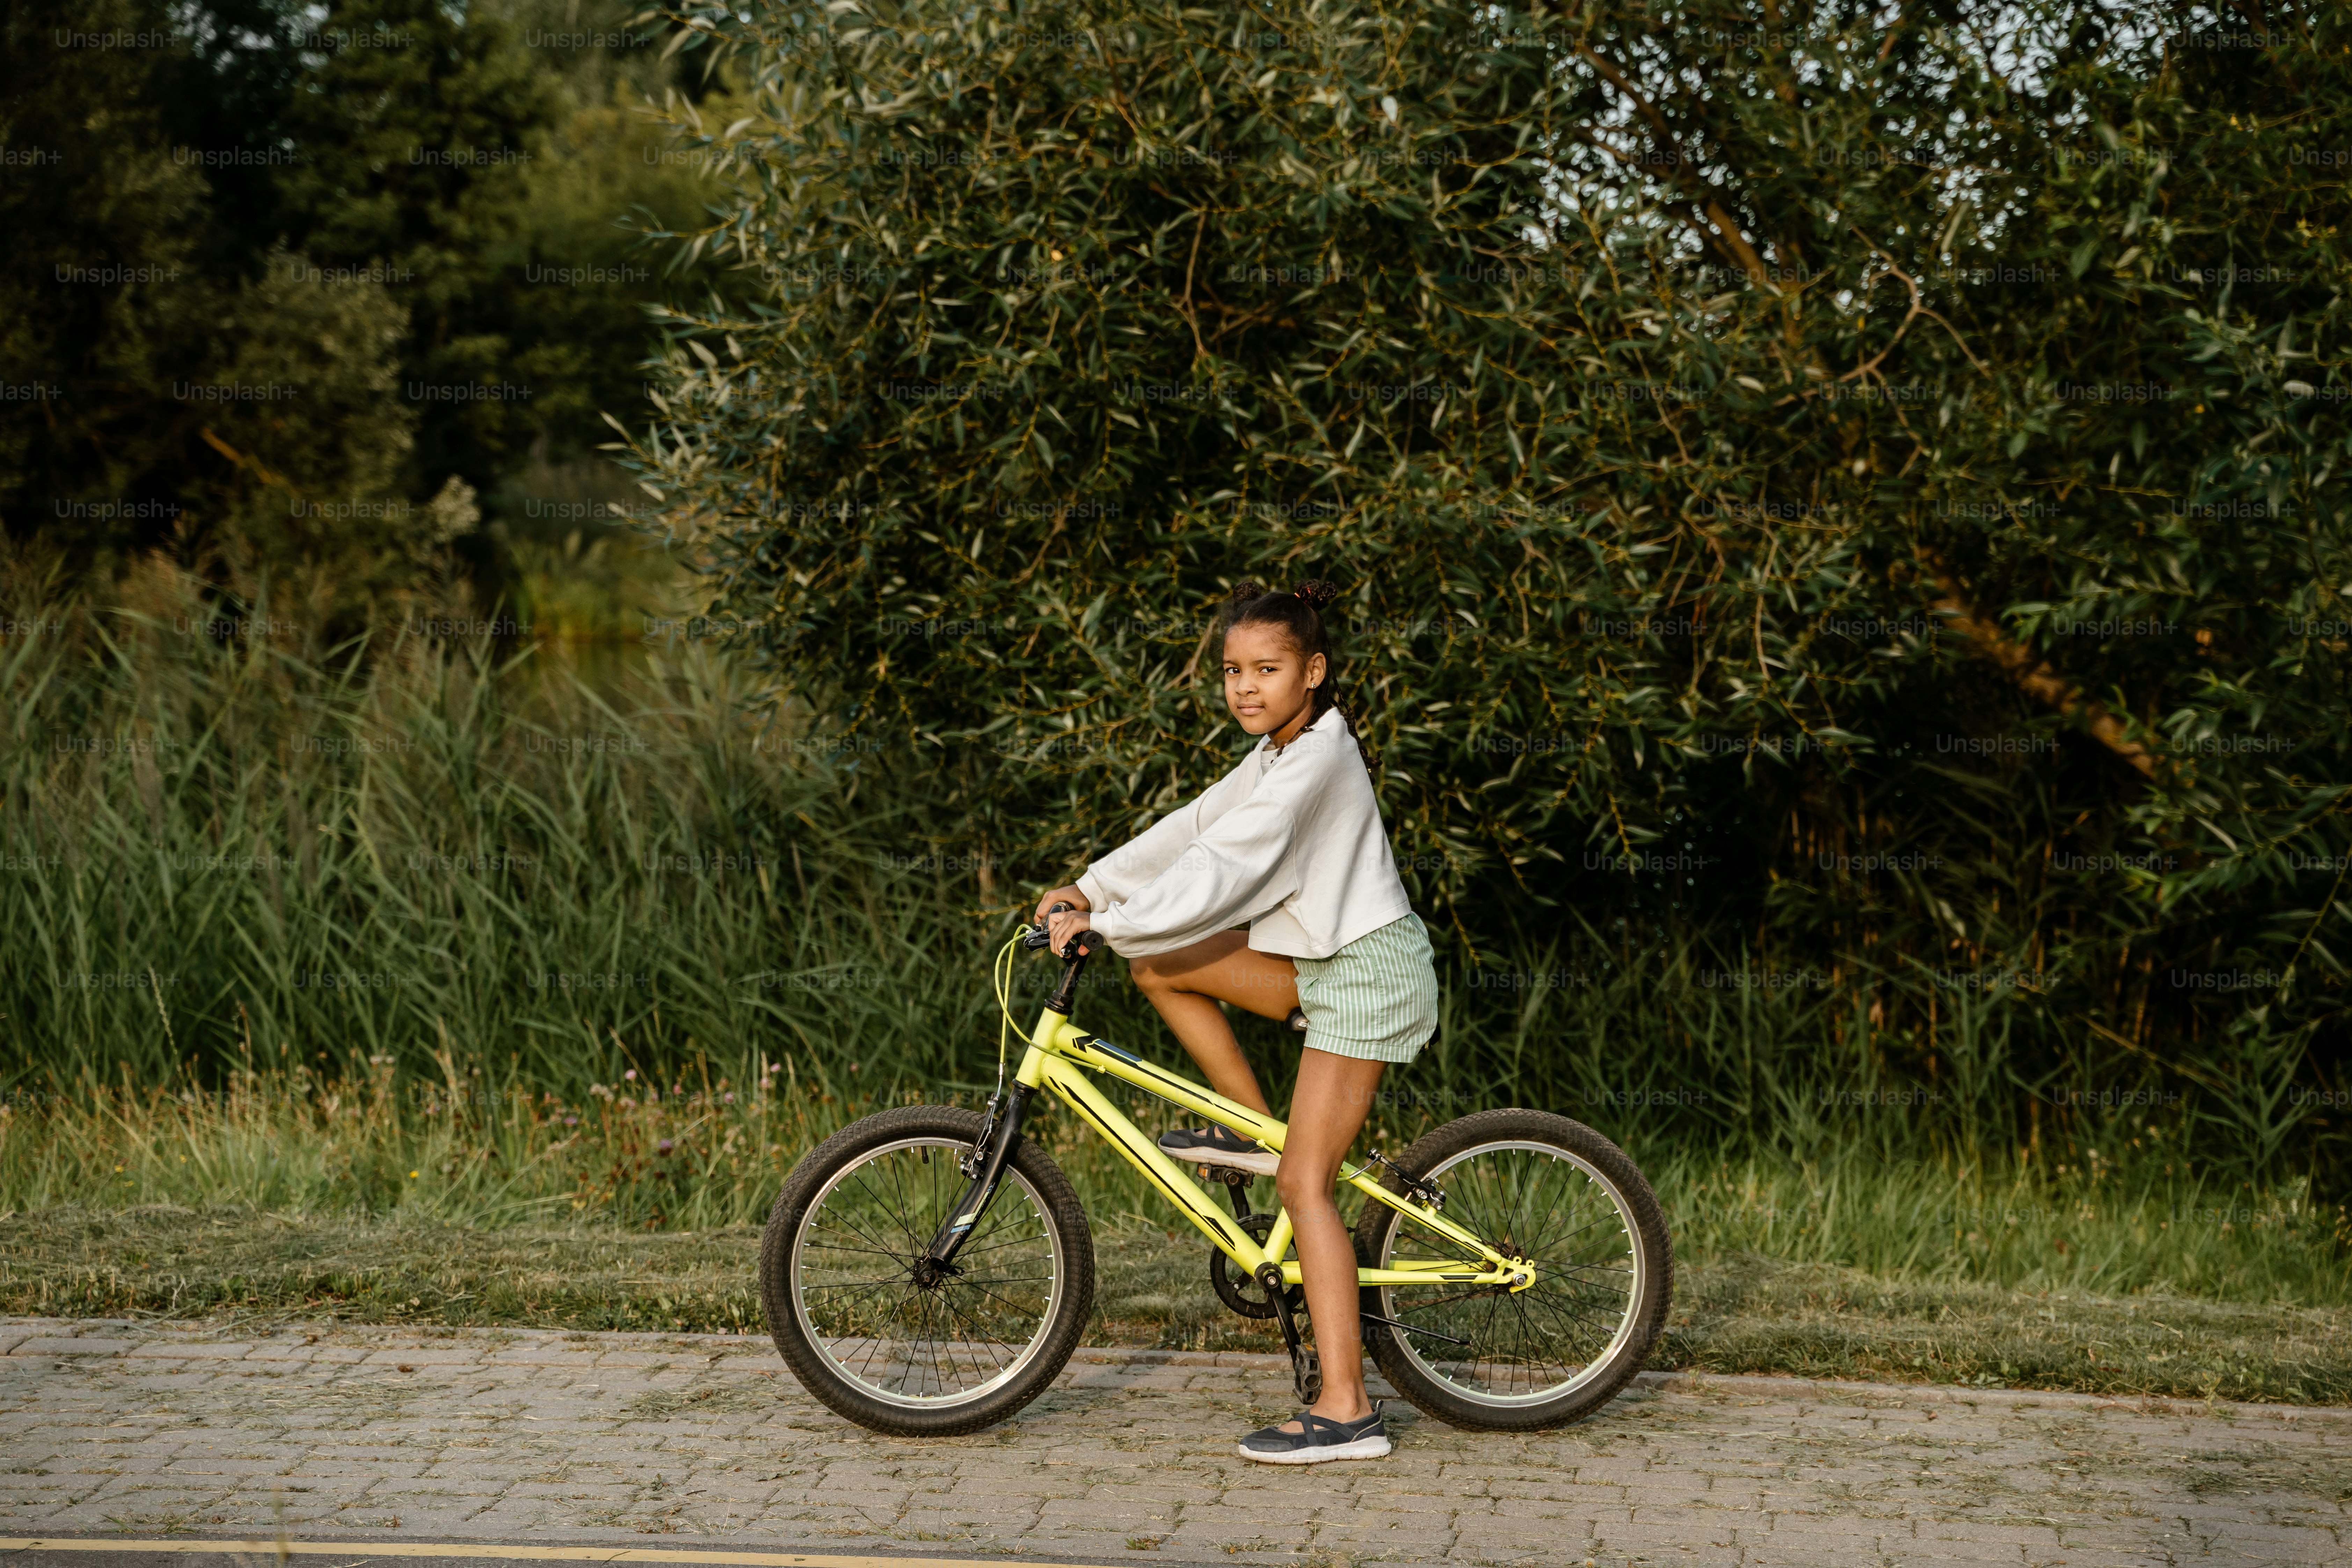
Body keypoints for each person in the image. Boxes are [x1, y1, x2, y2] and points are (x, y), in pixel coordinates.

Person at [1030, 578, 1439, 1465]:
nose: (1246, 687)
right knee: (1162, 966)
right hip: (1323, 961)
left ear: (1313, 671)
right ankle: (1250, 1127)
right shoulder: (1278, 753)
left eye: (1268, 668)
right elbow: (1193, 829)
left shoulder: (1318, 762)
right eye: (1231, 670)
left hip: (1365, 976)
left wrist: (1107, 922)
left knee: (1307, 1189)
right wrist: (1092, 888)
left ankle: (1347, 1410)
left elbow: (1226, 867)